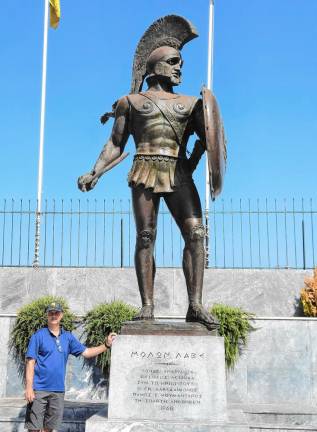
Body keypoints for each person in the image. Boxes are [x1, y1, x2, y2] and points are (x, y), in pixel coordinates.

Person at [78, 16, 226, 331]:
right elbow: (115, 143)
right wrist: (95, 172)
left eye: (181, 63)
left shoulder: (191, 103)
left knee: (196, 235)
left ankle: (195, 304)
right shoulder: (129, 102)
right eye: (173, 62)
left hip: (179, 171)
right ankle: (147, 306)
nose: (179, 68)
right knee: (146, 237)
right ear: (156, 66)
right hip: (144, 167)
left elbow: (212, 138)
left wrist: (206, 150)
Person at [24, 302, 116, 432]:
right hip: (39, 390)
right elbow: (30, 362)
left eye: (56, 313)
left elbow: (87, 352)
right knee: (34, 428)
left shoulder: (68, 337)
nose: (53, 315)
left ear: (61, 315)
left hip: (58, 391)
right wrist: (29, 388)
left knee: (49, 428)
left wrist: (106, 345)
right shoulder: (38, 336)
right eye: (51, 313)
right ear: (47, 315)